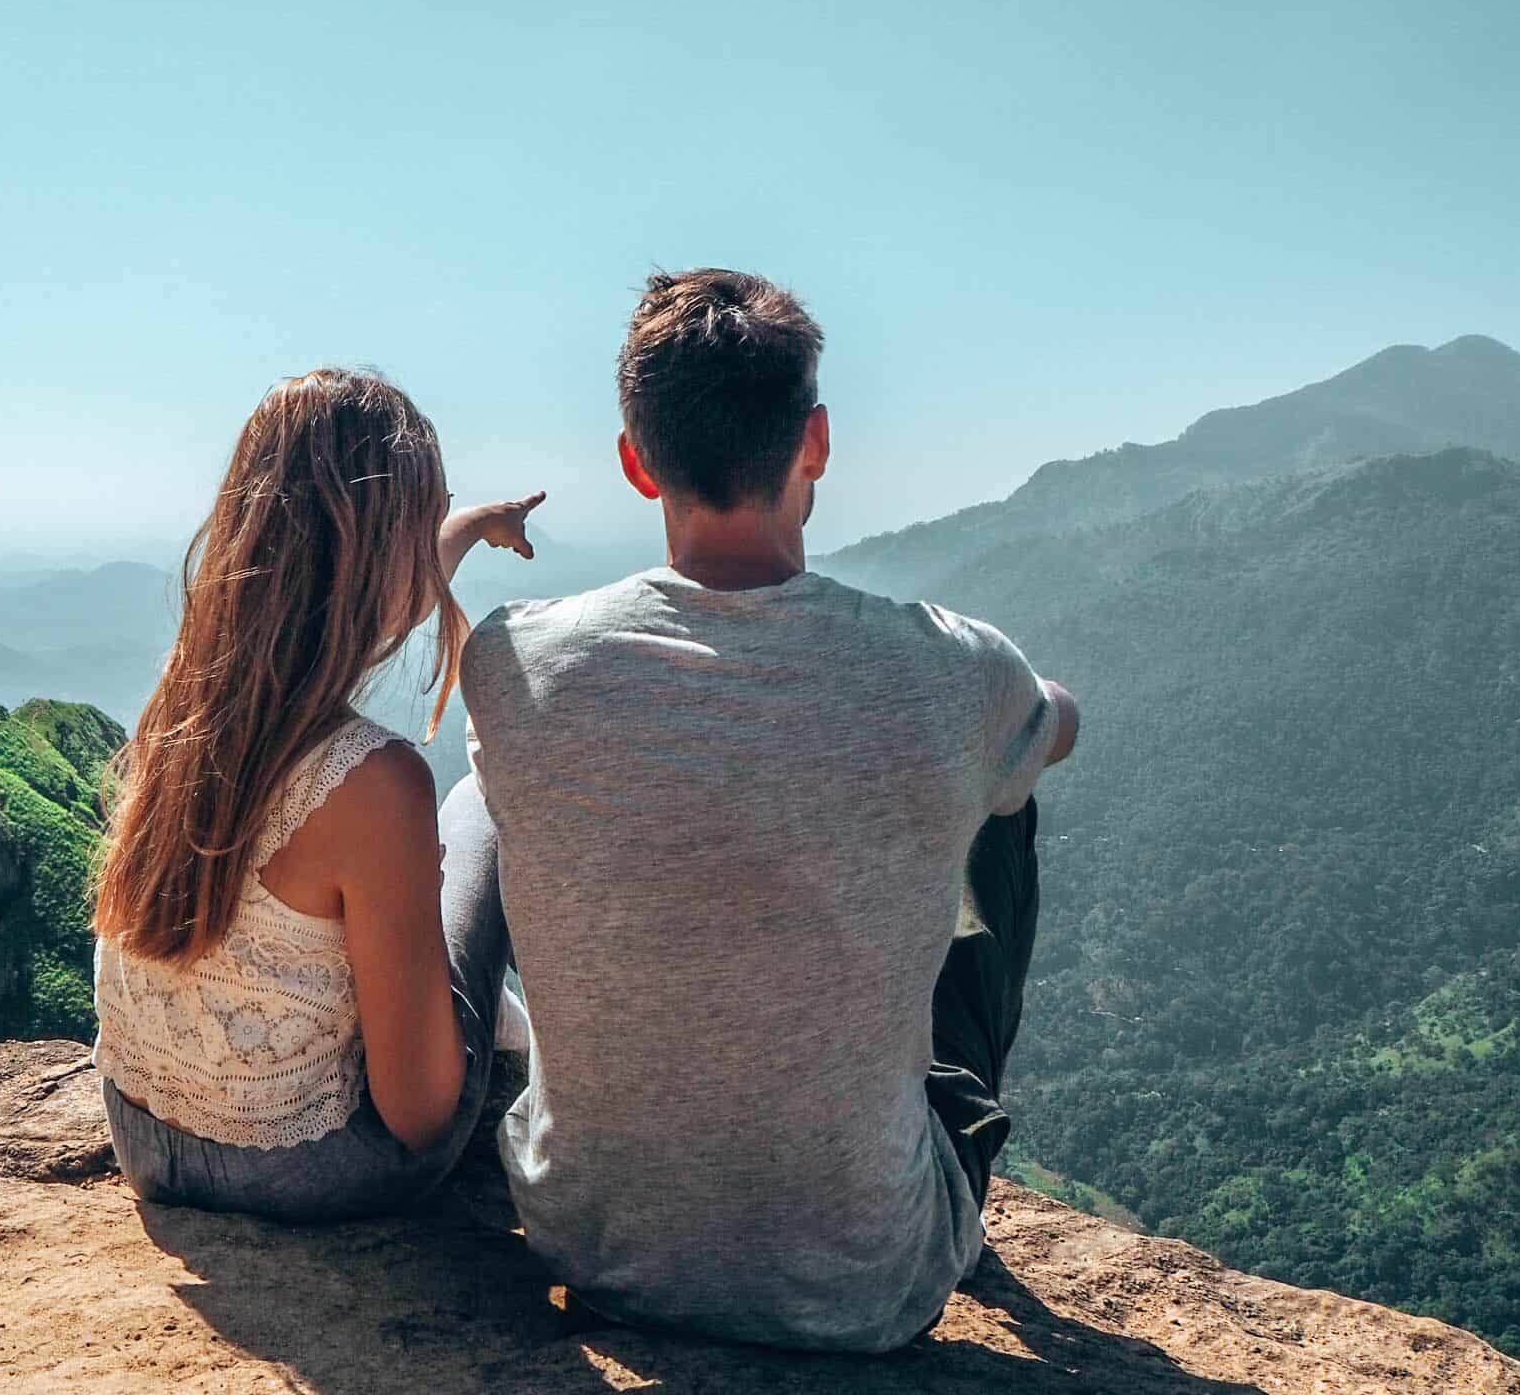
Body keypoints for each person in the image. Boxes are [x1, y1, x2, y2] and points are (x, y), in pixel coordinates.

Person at [458, 269, 1080, 1351]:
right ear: (817, 441)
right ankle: (948, 1100)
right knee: (1001, 809)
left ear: (633, 459)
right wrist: (1020, 716)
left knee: (488, 796)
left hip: (594, 1246)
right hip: (868, 1281)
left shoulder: (516, 661)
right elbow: (1054, 727)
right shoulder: (950, 666)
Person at [91, 367, 542, 1221]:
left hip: (145, 1138)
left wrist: (469, 528)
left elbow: (360, 602)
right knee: (483, 805)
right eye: (427, 520)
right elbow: (417, 1113)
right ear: (379, 559)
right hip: (315, 1172)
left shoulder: (184, 714)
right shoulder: (374, 785)